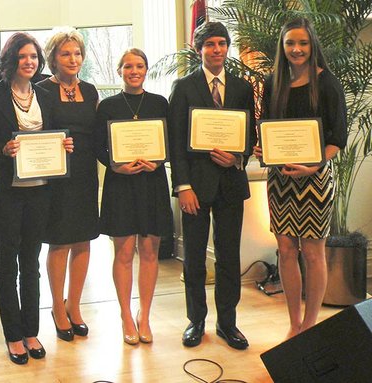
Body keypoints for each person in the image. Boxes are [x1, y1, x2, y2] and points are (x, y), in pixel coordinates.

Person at [0, 32, 73, 365]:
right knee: (7, 264)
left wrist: (65, 147)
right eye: (22, 57)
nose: (29, 62)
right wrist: (3, 150)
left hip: (41, 191)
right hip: (6, 194)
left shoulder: (46, 93)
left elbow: (56, 135)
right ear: (11, 60)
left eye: (33, 57)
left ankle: (32, 331)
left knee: (31, 264)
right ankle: (13, 336)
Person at [253, 17, 346, 339]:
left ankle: (311, 324)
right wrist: (262, 148)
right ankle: (293, 323)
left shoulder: (328, 83)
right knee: (286, 250)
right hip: (281, 180)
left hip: (316, 180)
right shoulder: (272, 82)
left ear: (312, 45)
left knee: (312, 252)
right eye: (290, 43)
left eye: (302, 43)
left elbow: (338, 138)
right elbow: (267, 126)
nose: (296, 49)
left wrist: (315, 164)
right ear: (283, 46)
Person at [168, 21, 256, 350]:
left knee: (229, 256)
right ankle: (196, 321)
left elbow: (250, 137)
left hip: (231, 183)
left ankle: (228, 323)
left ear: (227, 48)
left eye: (221, 43)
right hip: (196, 187)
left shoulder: (242, 88)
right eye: (209, 45)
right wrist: (183, 186)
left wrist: (236, 157)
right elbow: (176, 143)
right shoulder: (184, 86)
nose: (216, 49)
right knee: (193, 257)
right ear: (198, 49)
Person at [94, 48, 173, 345]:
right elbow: (98, 147)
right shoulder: (108, 106)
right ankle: (126, 314)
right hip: (121, 185)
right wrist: (115, 165)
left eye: (139, 66)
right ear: (119, 71)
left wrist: (160, 160)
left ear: (146, 69)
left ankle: (145, 316)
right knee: (124, 254)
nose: (134, 71)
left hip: (152, 183)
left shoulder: (159, 103)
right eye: (128, 66)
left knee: (150, 252)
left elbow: (168, 141)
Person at [35, 27, 98, 342]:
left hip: (86, 173)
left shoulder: (91, 89)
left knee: (84, 241)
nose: (73, 59)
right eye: (65, 54)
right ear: (53, 58)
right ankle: (57, 308)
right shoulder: (41, 90)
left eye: (77, 53)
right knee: (59, 241)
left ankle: (74, 305)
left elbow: (99, 132)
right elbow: (37, 132)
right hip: (57, 175)